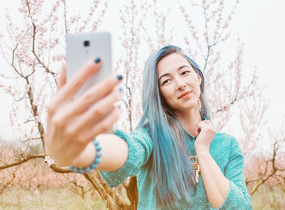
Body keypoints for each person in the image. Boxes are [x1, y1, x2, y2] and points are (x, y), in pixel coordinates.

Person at [45, 45, 252, 209]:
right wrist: (82, 150)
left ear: (198, 76)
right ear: (158, 94)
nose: (180, 83)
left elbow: (240, 207)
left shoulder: (228, 146)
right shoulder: (153, 137)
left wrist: (203, 151)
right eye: (166, 81)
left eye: (184, 72)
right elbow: (129, 150)